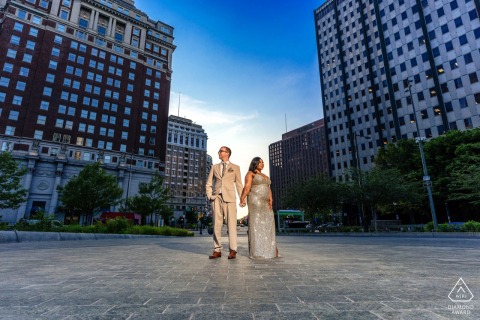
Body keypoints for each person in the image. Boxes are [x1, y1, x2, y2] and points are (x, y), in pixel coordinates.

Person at [205, 146, 243, 259]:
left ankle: (233, 250)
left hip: (230, 198)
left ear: (227, 153)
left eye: (221, 151)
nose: (219, 152)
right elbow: (208, 184)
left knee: (231, 225)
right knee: (217, 224)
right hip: (216, 198)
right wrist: (210, 196)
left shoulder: (235, 167)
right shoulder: (214, 167)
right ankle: (217, 250)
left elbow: (239, 184)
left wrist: (242, 198)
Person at [240, 157, 279, 259]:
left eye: (263, 162)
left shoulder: (265, 175)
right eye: (260, 162)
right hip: (255, 201)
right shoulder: (250, 173)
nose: (262, 164)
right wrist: (242, 199)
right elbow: (247, 186)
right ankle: (257, 251)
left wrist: (271, 199)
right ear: (255, 163)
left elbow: (268, 188)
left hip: (266, 202)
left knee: (269, 223)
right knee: (256, 224)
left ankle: (270, 250)